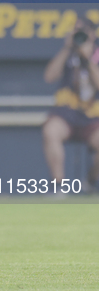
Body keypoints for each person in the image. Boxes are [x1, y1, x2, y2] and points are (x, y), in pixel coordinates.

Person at [42, 17, 99, 189]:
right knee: (50, 131)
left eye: (82, 31)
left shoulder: (96, 55)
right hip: (66, 114)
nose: (79, 35)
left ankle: (90, 180)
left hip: (92, 116)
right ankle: (59, 185)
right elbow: (49, 77)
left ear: (92, 34)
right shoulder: (67, 54)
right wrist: (67, 48)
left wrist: (87, 59)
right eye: (76, 30)